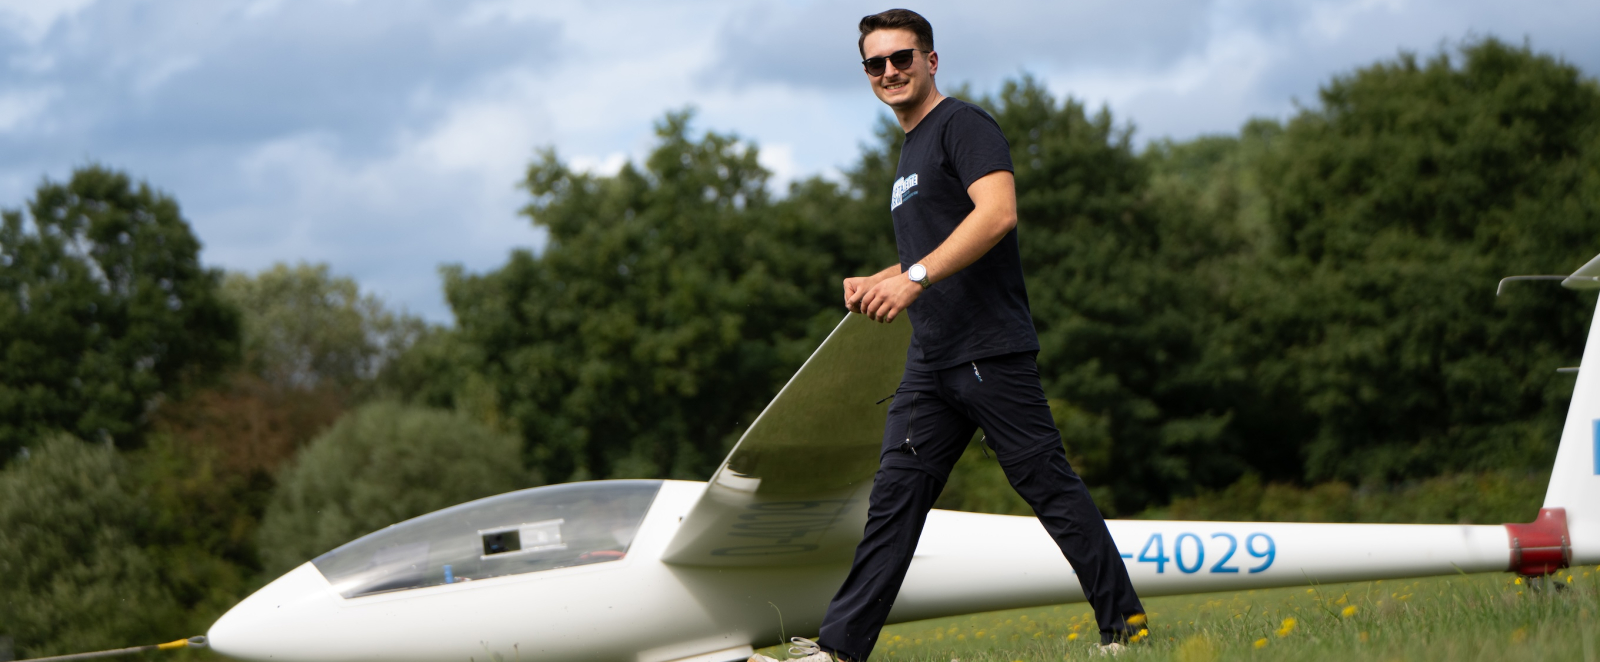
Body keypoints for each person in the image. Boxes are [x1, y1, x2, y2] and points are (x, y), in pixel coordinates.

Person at [750, 8, 1146, 661]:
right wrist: (880, 278)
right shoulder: (909, 151)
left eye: (901, 58)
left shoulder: (963, 126)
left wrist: (911, 281)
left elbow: (998, 214)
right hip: (931, 363)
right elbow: (935, 247)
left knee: (1047, 485)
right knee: (893, 504)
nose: (889, 72)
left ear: (931, 60)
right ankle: (840, 650)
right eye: (875, 64)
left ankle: (1125, 629)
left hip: (988, 348)